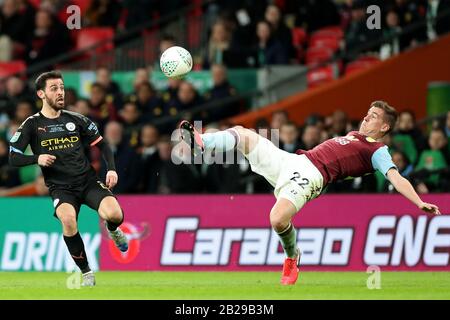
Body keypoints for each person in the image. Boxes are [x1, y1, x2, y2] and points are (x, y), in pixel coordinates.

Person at [179, 100, 441, 286]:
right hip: (293, 161)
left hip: (312, 177)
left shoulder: (378, 151)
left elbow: (395, 176)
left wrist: (418, 201)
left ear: (385, 127)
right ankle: (202, 143)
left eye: (373, 116)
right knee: (242, 134)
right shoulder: (353, 135)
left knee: (277, 219)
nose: (366, 117)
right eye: (368, 113)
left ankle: (292, 256)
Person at [8, 71, 129, 287]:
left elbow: (103, 144)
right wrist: (37, 158)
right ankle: (86, 273)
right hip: (60, 188)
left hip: (88, 181)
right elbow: (13, 156)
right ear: (41, 94)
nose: (60, 92)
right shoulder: (32, 125)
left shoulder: (76, 119)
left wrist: (111, 169)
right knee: (68, 219)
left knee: (114, 214)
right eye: (54, 88)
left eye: (62, 87)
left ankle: (113, 230)